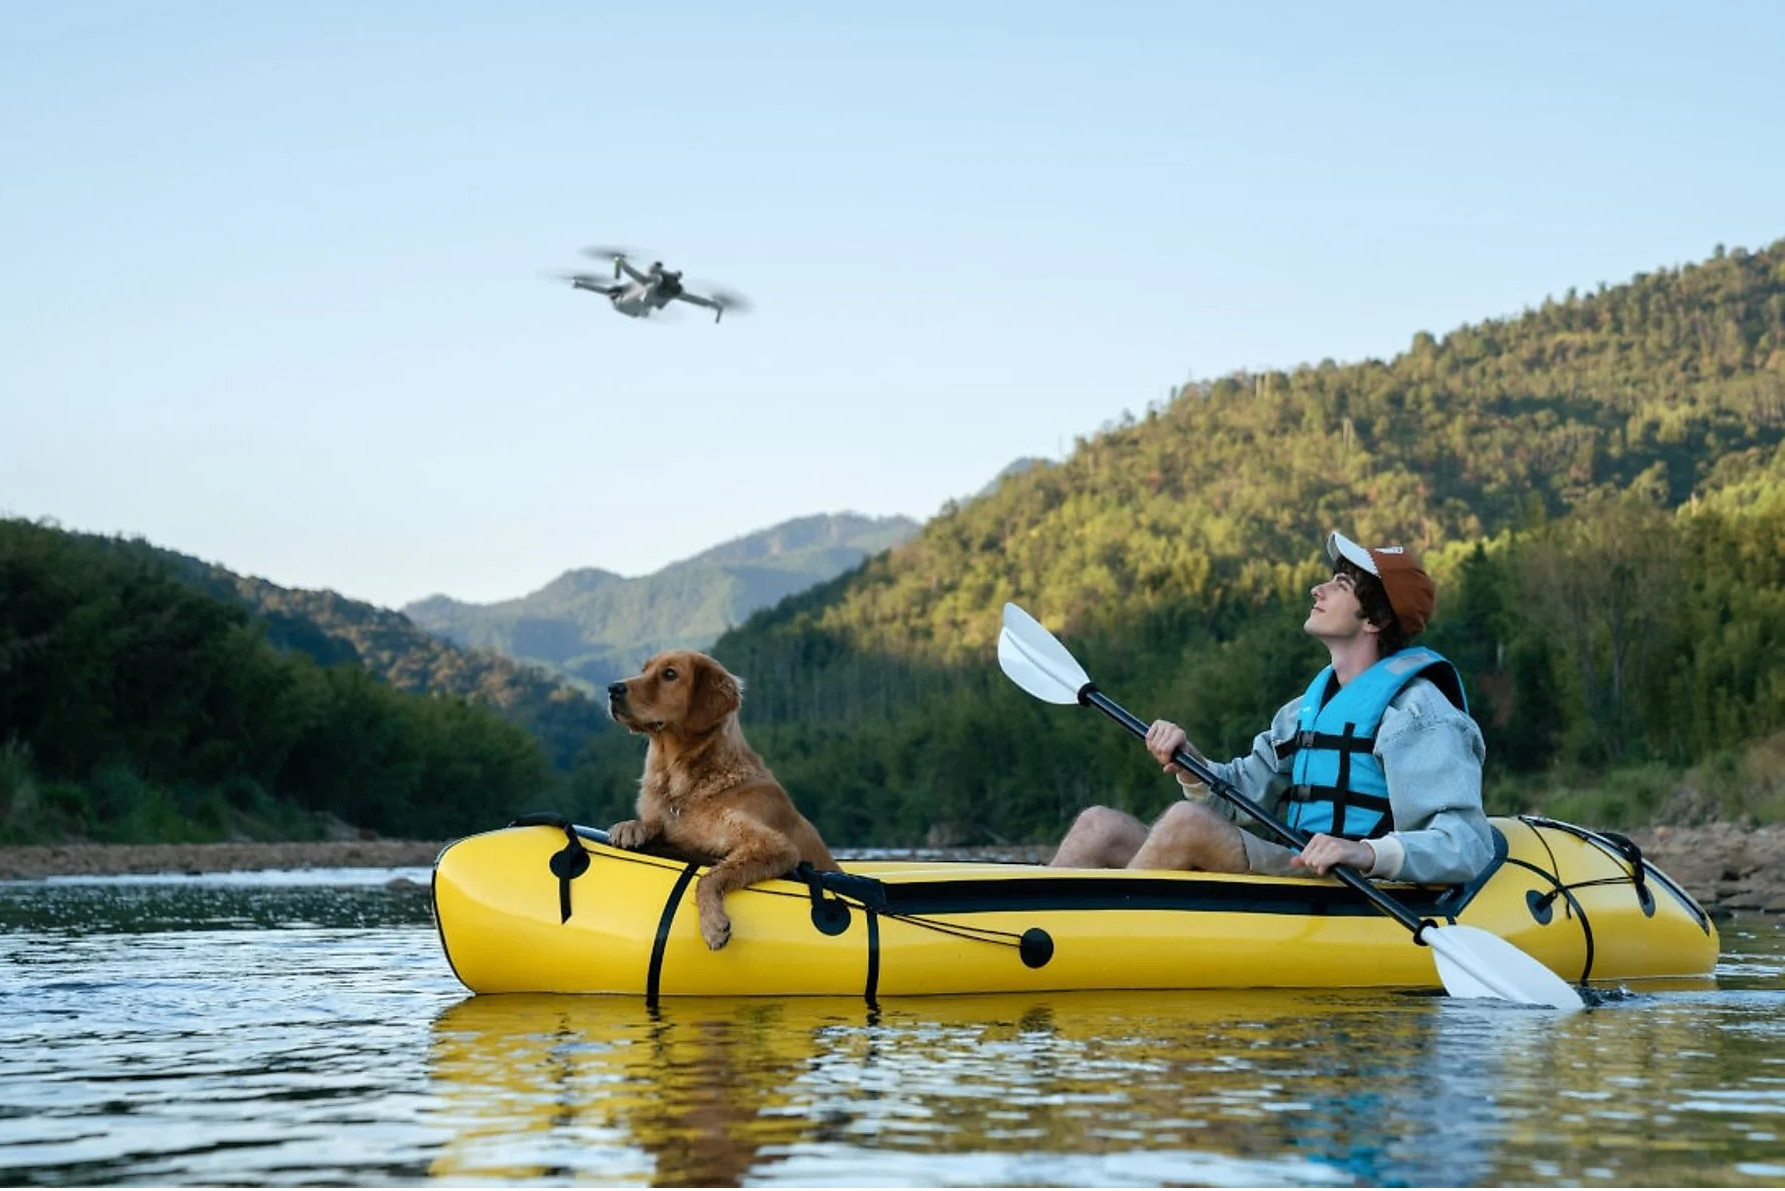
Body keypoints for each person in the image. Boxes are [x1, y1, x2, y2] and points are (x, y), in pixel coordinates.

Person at [1049, 531, 1493, 886]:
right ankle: (1041, 927)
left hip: (1351, 888)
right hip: (1297, 864)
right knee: (1098, 826)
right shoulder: (1303, 711)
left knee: (1187, 824)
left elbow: (1466, 844)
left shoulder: (1418, 714)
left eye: (1340, 586)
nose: (1317, 589)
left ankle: (1101, 939)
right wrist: (1193, 765)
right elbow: (1239, 796)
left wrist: (1363, 852)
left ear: (1374, 620)